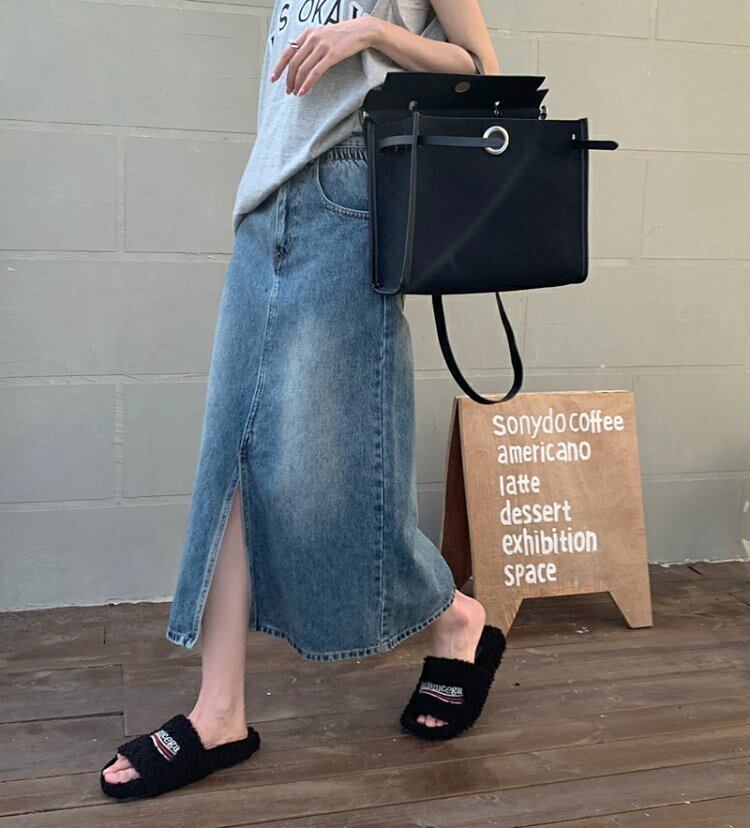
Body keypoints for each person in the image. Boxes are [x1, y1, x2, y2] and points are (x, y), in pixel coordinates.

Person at [100, 0, 505, 800]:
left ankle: (454, 619)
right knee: (232, 456)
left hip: (348, 202)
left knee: (333, 470)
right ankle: (220, 711)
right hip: (264, 209)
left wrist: (376, 33)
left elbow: (482, 70)